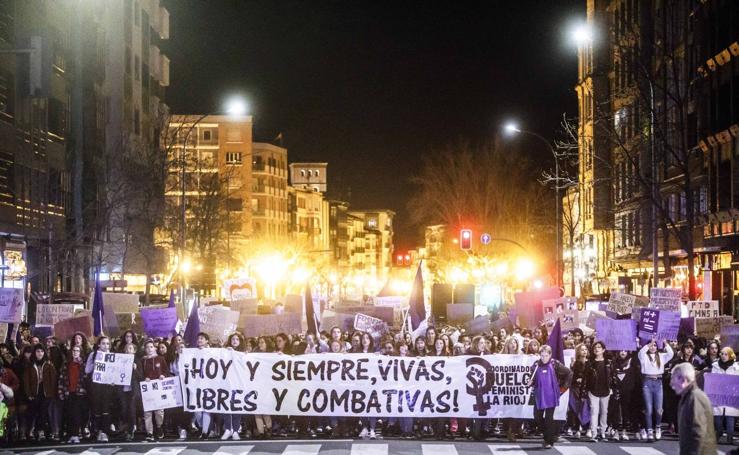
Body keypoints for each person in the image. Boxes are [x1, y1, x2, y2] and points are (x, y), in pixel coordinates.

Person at [529, 344, 572, 449]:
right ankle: (550, 435)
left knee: (549, 418)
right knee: (537, 417)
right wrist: (530, 382)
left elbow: (569, 373)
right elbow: (532, 379)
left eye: (546, 355)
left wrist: (563, 388)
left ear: (550, 355)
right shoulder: (536, 365)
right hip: (539, 395)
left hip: (551, 395)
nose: (544, 358)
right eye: (542, 355)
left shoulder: (555, 364)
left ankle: (548, 441)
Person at [669, 362, 716, 455]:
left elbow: (698, 433)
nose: (671, 384)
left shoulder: (695, 398)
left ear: (684, 379)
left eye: (673, 379)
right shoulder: (688, 397)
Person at [638, 337, 674, 441]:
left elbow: (671, 354)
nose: (653, 347)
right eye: (651, 345)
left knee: (659, 409)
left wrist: (665, 342)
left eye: (655, 345)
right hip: (647, 382)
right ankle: (649, 430)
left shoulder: (661, 356)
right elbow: (641, 352)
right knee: (648, 409)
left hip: (658, 382)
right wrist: (651, 342)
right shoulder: (644, 356)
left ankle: (657, 426)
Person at [709, 346, 739, 444]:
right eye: (722, 354)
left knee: (730, 416)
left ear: (730, 355)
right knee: (717, 416)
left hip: (731, 395)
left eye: (726, 354)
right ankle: (719, 432)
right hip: (718, 394)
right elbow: (713, 379)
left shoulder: (736, 367)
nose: (723, 356)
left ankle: (730, 437)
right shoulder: (715, 366)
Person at [585, 341, 611, 441]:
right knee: (594, 411)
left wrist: (612, 388)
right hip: (593, 390)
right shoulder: (590, 363)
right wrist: (586, 390)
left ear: (603, 350)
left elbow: (612, 376)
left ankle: (603, 432)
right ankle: (593, 432)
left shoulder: (608, 363)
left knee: (604, 411)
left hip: (606, 390)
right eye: (595, 347)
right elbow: (586, 378)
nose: (597, 349)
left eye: (599, 347)